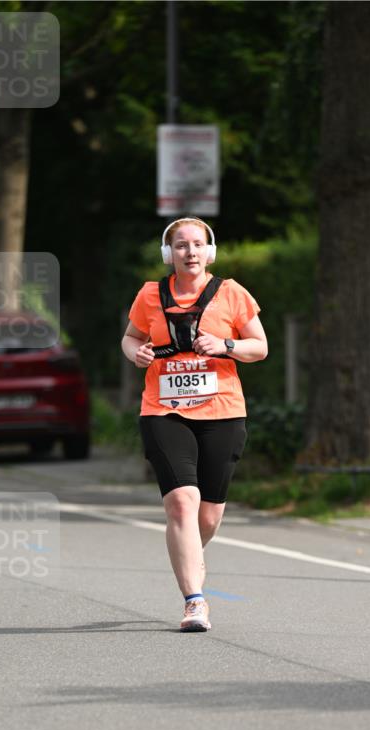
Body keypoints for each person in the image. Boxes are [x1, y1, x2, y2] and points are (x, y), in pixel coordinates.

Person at [121, 217, 268, 632]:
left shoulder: (232, 292)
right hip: (164, 410)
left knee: (208, 516)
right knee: (182, 502)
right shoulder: (150, 295)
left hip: (223, 410)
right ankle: (194, 601)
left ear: (209, 251)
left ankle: (183, 549)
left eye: (198, 244)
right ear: (169, 254)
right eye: (181, 245)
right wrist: (138, 354)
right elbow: (130, 337)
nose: (190, 252)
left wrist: (226, 345)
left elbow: (260, 347)